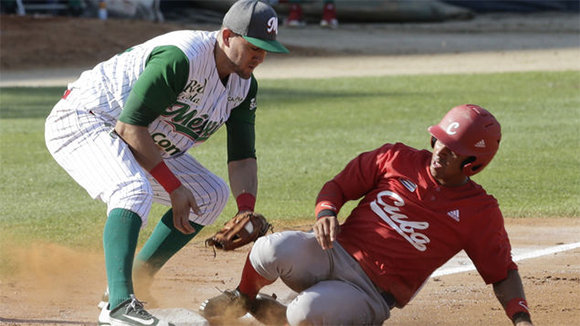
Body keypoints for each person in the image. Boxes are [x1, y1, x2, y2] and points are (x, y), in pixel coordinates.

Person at [44, 0, 288, 325]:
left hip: (137, 136)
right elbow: (129, 127)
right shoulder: (182, 57)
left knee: (210, 195)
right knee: (132, 190)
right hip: (87, 119)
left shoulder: (243, 86)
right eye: (254, 45)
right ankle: (118, 307)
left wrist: (246, 207)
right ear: (228, 35)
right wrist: (173, 187)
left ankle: (132, 282)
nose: (260, 56)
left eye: (266, 48)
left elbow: (243, 155)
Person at [200, 104, 534, 326]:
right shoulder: (397, 158)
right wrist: (327, 211)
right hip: (333, 252)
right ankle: (241, 298)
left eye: (453, 151)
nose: (439, 152)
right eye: (439, 141)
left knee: (305, 314)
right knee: (269, 249)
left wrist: (521, 319)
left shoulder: (480, 212)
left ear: (473, 163)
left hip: (369, 293)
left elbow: (502, 272)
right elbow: (338, 186)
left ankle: (284, 317)